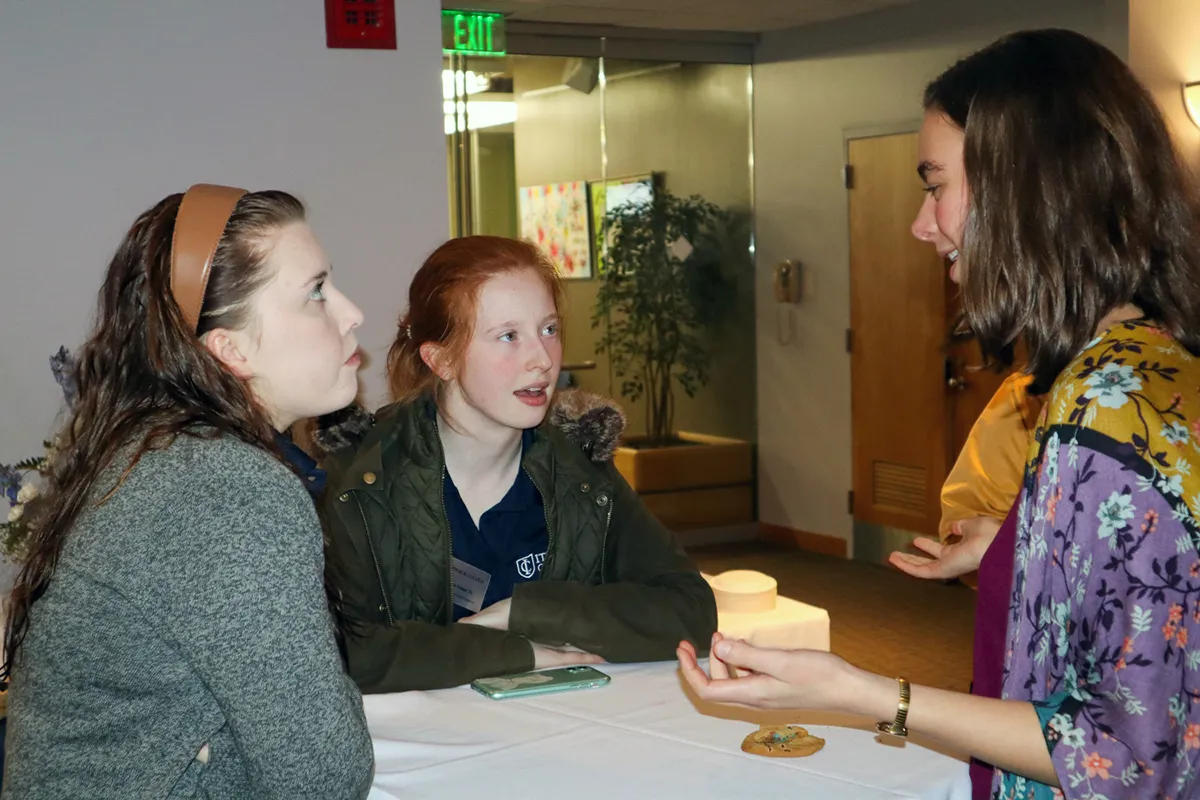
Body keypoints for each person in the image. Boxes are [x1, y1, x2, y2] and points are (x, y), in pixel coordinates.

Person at [678, 29, 1200, 799]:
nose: (924, 224)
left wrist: (861, 693)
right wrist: (1022, 545)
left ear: (1028, 189)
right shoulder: (1154, 365)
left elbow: (1127, 756)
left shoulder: (1100, 413)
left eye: (936, 184)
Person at [2, 185, 375, 797]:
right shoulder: (224, 491)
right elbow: (323, 777)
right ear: (230, 350)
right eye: (316, 293)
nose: (351, 311)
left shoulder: (160, 453)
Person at [319, 235, 717, 693]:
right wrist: (516, 652)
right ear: (441, 359)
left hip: (558, 738)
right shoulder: (361, 483)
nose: (541, 360)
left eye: (548, 330)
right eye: (508, 336)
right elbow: (346, 654)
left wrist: (526, 611)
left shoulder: (581, 471)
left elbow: (692, 611)